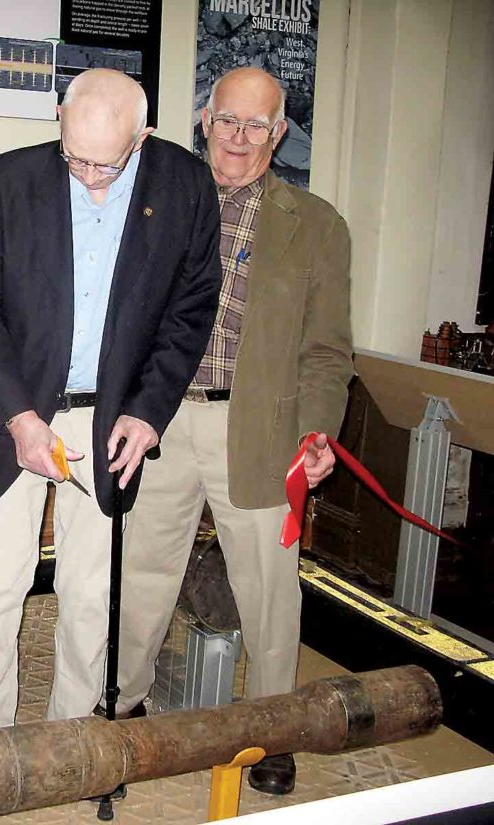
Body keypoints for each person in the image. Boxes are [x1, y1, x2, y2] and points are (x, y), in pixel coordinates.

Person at [0, 69, 222, 730]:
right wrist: (20, 418)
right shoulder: (12, 178)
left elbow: (189, 313)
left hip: (110, 418)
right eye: (75, 158)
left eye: (107, 164)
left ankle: (71, 737)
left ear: (142, 137)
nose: (90, 178)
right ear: (59, 121)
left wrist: (148, 411)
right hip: (15, 411)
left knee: (91, 593)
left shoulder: (185, 185)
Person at [113, 66, 353, 796]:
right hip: (161, 420)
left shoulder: (317, 225)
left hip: (260, 431)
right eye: (227, 121)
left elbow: (327, 351)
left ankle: (275, 730)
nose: (239, 139)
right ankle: (122, 707)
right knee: (142, 573)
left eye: (257, 125)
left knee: (269, 592)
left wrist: (317, 433)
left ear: (279, 134)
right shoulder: (156, 203)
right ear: (204, 122)